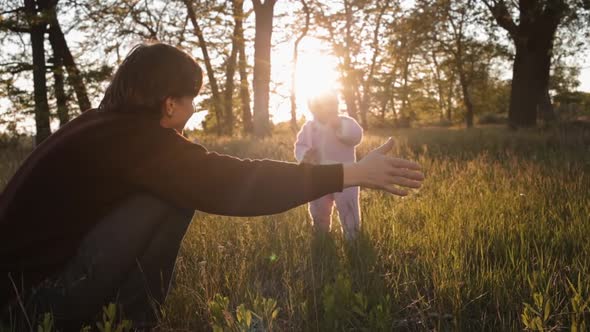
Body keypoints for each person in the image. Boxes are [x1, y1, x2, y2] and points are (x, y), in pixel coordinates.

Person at [0, 42, 424, 330]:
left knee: (174, 189)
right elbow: (232, 182)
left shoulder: (97, 126)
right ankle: (131, 322)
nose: (191, 111)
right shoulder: (138, 142)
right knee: (173, 197)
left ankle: (121, 318)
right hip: (33, 308)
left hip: (19, 295)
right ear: (169, 104)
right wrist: (350, 174)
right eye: (191, 101)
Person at [294, 91, 363, 240]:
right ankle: (321, 234)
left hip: (346, 175)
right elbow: (300, 146)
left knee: (348, 208)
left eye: (334, 104)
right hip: (319, 177)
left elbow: (356, 135)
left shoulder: (346, 122)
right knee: (319, 209)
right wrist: (305, 156)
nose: (331, 109)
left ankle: (353, 237)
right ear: (313, 108)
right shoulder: (309, 128)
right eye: (325, 105)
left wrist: (341, 126)